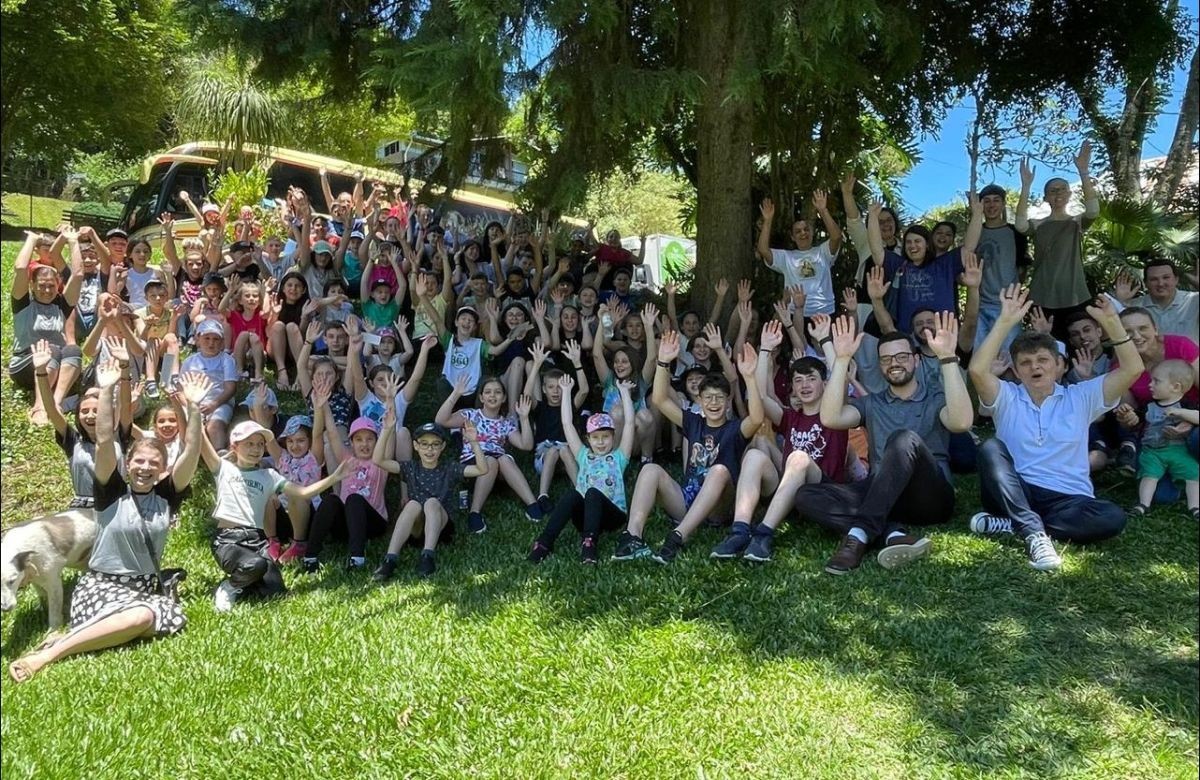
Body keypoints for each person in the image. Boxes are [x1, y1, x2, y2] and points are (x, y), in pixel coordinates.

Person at [7, 368, 208, 683]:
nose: (145, 468)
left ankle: (74, 637)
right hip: (101, 586)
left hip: (142, 589)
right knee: (141, 618)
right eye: (138, 462)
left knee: (146, 616)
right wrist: (106, 388)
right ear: (127, 465)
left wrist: (194, 407)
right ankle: (48, 655)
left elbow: (192, 451)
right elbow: (103, 439)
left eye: (153, 463)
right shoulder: (110, 492)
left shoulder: (167, 497)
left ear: (163, 468)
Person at [968, 288, 1144, 569]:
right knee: (991, 447)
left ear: (1060, 365)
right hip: (1015, 489)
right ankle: (1034, 534)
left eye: (1042, 360)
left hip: (1069, 499)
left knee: (1113, 517)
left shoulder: (1081, 396)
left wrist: (1113, 324)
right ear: (1016, 368)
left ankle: (1016, 524)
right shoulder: (1007, 396)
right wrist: (1004, 321)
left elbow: (1132, 369)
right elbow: (977, 370)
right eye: (1025, 362)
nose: (1034, 367)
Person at [795, 314, 974, 575]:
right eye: (886, 359)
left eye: (901, 357)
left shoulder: (935, 398)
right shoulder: (872, 403)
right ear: (880, 365)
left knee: (903, 439)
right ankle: (891, 533)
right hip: (882, 492)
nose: (894, 364)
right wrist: (842, 359)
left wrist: (947, 357)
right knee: (806, 496)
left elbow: (961, 423)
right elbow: (831, 417)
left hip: (928, 497)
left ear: (916, 359)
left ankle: (859, 535)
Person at [613, 334, 764, 564]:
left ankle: (678, 536)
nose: (713, 403)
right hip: (688, 500)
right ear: (700, 401)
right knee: (650, 469)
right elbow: (661, 400)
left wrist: (750, 378)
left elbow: (756, 418)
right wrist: (663, 362)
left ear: (727, 402)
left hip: (719, 507)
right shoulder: (694, 422)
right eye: (708, 398)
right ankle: (633, 536)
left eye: (719, 398)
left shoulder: (735, 429)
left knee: (720, 470)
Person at [711, 329, 851, 563]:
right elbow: (763, 398)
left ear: (826, 384)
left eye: (811, 378)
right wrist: (764, 350)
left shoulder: (836, 415)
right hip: (790, 489)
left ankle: (764, 534)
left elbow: (841, 378)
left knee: (798, 457)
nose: (804, 385)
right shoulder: (790, 417)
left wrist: (827, 341)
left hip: (823, 491)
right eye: (798, 380)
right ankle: (740, 531)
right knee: (755, 454)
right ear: (792, 388)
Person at [199, 419, 351, 611]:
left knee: (275, 591)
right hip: (229, 540)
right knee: (256, 565)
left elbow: (303, 493)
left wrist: (334, 477)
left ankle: (247, 581)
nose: (256, 449)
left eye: (260, 444)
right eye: (249, 444)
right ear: (234, 447)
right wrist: (193, 413)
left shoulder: (269, 475)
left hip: (257, 540)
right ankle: (229, 586)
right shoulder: (223, 469)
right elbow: (202, 442)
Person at [529, 374, 636, 563]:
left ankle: (589, 544)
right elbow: (567, 424)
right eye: (595, 437)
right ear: (588, 439)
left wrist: (625, 394)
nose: (601, 442)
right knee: (573, 495)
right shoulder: (583, 455)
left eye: (606, 437)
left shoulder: (619, 457)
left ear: (613, 437)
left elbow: (628, 424)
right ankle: (544, 542)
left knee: (593, 493)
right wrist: (567, 392)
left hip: (613, 516)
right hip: (587, 515)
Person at [1016, 142, 1100, 341]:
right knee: (1046, 343)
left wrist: (1083, 172)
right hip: (1042, 295)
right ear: (1046, 197)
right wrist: (1026, 186)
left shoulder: (1076, 222)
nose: (1058, 193)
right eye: (1052, 191)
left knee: (1080, 342)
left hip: (1075, 294)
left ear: (1069, 194)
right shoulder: (1038, 224)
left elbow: (1093, 211)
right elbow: (1020, 225)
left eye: (1062, 189)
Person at [1121, 360, 1199, 519]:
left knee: (1193, 473)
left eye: (1156, 381)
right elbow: (1137, 422)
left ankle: (1195, 506)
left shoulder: (1185, 405)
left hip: (1179, 450)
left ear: (1176, 387)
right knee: (1149, 475)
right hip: (1153, 451)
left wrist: (1181, 414)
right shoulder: (1149, 406)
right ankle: (1143, 504)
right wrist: (1129, 416)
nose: (1150, 385)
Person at [756, 194, 842, 317]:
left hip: (824, 313)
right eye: (798, 231)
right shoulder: (786, 257)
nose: (803, 233)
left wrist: (823, 210)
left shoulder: (823, 251)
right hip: (795, 313)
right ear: (792, 237)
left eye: (806, 229)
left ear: (812, 232)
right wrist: (768, 220)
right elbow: (763, 250)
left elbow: (836, 236)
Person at [971, 185, 1031, 351]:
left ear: (1003, 204)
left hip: (1007, 305)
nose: (991, 205)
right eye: (987, 201)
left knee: (1010, 357)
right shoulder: (975, 232)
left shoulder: (1015, 232)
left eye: (996, 201)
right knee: (980, 356)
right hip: (980, 305)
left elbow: (1022, 265)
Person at [1114, 260, 1199, 343]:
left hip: (1191, 356)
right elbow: (1117, 334)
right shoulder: (1133, 306)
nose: (1160, 283)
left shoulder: (1193, 300)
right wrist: (1120, 303)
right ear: (1146, 283)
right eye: (1154, 279)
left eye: (1166, 277)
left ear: (1176, 279)